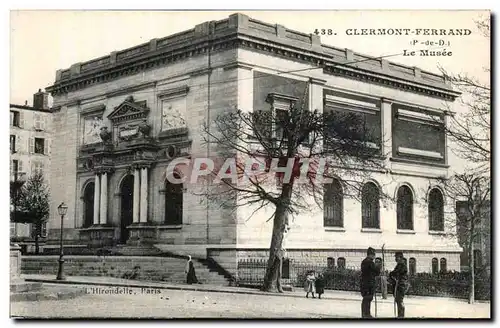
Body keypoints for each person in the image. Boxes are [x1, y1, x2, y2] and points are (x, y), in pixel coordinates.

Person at [360, 247, 382, 318]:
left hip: (365, 283)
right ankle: (366, 314)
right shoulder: (370, 262)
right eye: (373, 255)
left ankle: (365, 314)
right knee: (367, 299)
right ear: (370, 255)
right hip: (368, 284)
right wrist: (379, 266)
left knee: (367, 299)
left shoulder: (364, 261)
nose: (374, 256)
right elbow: (377, 272)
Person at [389, 251, 408, 318]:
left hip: (401, 285)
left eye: (396, 257)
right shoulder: (399, 265)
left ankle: (401, 316)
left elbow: (397, 272)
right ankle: (400, 315)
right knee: (398, 300)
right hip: (398, 285)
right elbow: (394, 273)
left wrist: (392, 273)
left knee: (399, 300)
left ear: (400, 257)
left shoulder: (402, 265)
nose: (395, 259)